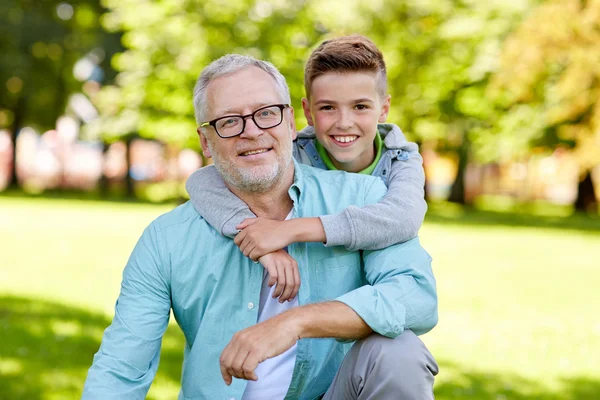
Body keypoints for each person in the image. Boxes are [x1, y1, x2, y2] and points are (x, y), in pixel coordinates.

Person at [82, 54, 438, 399]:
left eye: (266, 113)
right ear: (206, 142)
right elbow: (122, 367)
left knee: (399, 353)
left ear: (292, 123)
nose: (251, 132)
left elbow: (416, 298)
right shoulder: (167, 239)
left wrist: (294, 323)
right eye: (229, 121)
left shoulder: (364, 197)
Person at [186, 35, 427, 301]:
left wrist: (289, 230)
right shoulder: (293, 149)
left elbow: (404, 218)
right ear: (307, 112)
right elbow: (202, 182)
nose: (344, 122)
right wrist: (259, 240)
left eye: (360, 106)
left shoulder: (400, 160)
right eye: (327, 108)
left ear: (384, 109)